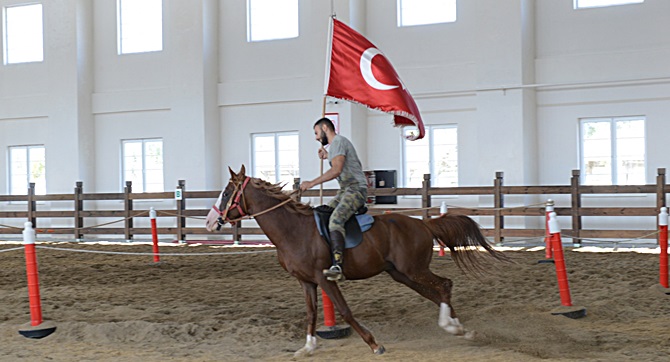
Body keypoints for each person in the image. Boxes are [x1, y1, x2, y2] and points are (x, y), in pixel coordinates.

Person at [300, 117, 367, 282]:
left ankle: (337, 265)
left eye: (316, 133)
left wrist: (312, 183)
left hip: (355, 190)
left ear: (325, 127)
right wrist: (328, 155)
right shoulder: (336, 145)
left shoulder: (338, 141)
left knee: (335, 220)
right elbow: (339, 161)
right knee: (323, 213)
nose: (316, 137)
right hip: (345, 191)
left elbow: (337, 170)